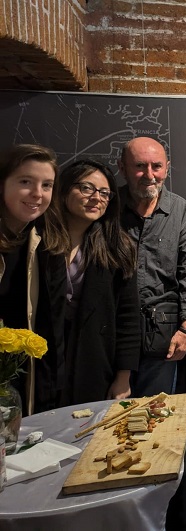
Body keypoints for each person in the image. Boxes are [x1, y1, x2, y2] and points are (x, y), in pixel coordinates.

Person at [49, 159, 140, 405]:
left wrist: (123, 376)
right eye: (86, 188)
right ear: (66, 189)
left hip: (93, 360)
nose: (96, 198)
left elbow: (128, 317)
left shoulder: (118, 247)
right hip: (43, 360)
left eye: (104, 193)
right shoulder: (39, 242)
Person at [118, 136, 186, 397]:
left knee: (154, 416)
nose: (149, 175)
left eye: (157, 166)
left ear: (167, 167)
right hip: (115, 335)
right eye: (140, 166)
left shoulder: (181, 211)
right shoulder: (108, 207)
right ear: (122, 168)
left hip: (163, 336)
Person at [0, 144, 65, 415]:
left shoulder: (41, 240)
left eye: (47, 184)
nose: (38, 193)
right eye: (26, 181)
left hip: (16, 382)